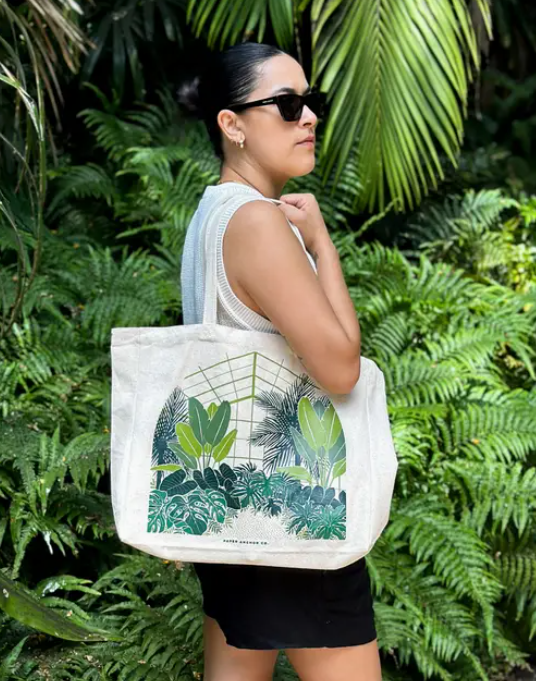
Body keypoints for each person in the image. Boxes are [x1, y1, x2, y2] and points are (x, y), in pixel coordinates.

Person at [177, 41, 381, 681]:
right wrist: (322, 246)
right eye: (287, 105)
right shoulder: (260, 223)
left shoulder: (212, 212)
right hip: (295, 509)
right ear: (231, 124)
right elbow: (341, 368)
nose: (309, 117)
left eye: (311, 102)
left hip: (230, 505)